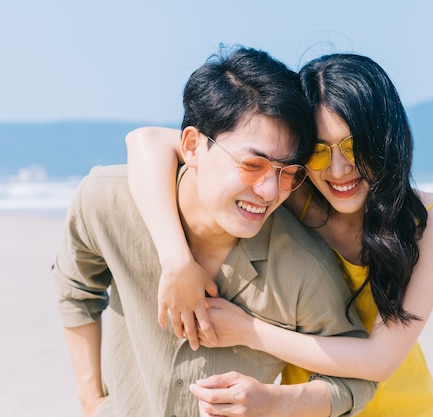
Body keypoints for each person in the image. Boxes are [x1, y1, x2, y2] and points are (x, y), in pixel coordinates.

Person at [126, 53, 433, 416]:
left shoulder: (429, 220)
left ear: (384, 138)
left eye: (354, 147)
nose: (338, 169)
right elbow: (147, 142)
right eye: (318, 152)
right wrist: (175, 260)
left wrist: (246, 330)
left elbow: (379, 361)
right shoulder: (288, 190)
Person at [52, 46, 376, 417]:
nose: (270, 192)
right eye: (252, 164)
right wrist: (91, 400)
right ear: (192, 146)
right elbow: (74, 288)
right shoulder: (104, 201)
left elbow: (357, 379)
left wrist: (275, 403)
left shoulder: (303, 266)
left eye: (287, 172)